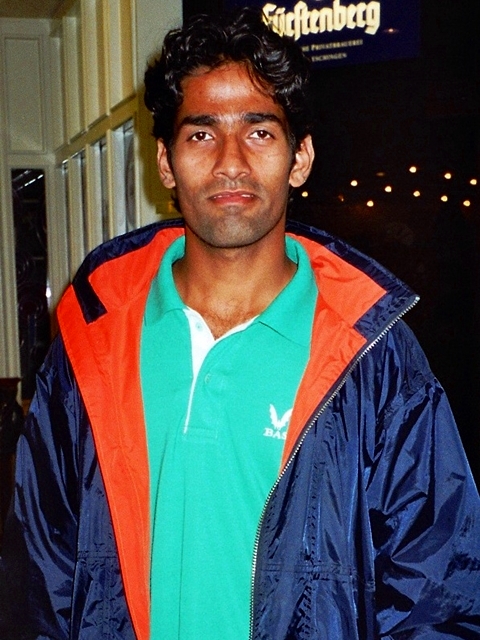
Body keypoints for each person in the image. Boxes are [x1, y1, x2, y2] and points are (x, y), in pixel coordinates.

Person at [1, 7, 480, 640]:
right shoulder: (95, 338)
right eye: (201, 134)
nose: (231, 162)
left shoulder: (375, 355)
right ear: (165, 162)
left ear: (300, 158)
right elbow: (41, 578)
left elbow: (436, 595)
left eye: (259, 132)